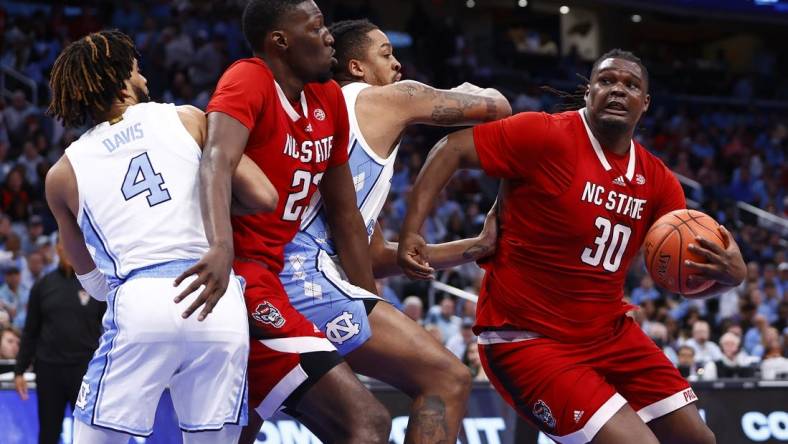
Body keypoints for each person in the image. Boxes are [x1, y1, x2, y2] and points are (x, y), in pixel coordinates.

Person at [398, 49, 747, 443]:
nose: (618, 90)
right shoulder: (544, 134)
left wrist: (732, 276)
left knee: (701, 440)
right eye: (606, 81)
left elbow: (684, 275)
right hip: (527, 339)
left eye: (631, 85)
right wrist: (413, 230)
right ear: (588, 92)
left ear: (645, 103)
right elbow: (451, 149)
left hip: (609, 334)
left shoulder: (659, 181)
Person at [276, 19, 508, 442]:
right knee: (448, 378)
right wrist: (474, 89)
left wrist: (474, 247)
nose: (398, 64)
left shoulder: (331, 119)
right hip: (299, 276)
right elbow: (498, 107)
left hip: (279, 277)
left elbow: (377, 254)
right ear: (357, 67)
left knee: (362, 426)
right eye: (385, 54)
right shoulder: (386, 100)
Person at [44, 30, 278, 443]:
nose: (142, 70)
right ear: (120, 79)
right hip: (215, 296)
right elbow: (263, 196)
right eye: (133, 64)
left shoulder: (62, 174)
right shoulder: (188, 118)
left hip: (142, 300)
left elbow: (95, 287)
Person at [181, 2, 390, 443]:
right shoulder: (248, 78)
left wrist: (366, 297)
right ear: (281, 41)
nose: (329, 35)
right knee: (367, 423)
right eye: (315, 28)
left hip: (280, 275)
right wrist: (221, 247)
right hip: (240, 275)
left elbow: (344, 211)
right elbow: (217, 159)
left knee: (242, 431)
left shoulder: (329, 96)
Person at [13, 241, 105, 444]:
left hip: (84, 371)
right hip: (49, 371)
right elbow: (30, 331)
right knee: (48, 432)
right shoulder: (43, 286)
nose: (67, 249)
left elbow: (109, 328)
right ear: (57, 249)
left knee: (88, 434)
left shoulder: (95, 285)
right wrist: (19, 370)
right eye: (63, 245)